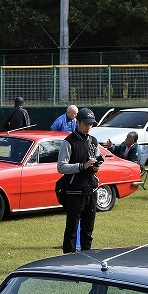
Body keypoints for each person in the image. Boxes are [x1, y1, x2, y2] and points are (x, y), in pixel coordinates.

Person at [56, 107, 103, 253]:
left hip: (91, 191)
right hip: (74, 192)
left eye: (91, 124)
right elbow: (61, 167)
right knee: (72, 229)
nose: (89, 127)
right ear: (78, 122)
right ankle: (68, 261)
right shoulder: (68, 142)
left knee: (88, 229)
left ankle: (86, 259)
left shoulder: (93, 141)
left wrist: (95, 167)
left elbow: (98, 159)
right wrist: (82, 166)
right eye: (86, 124)